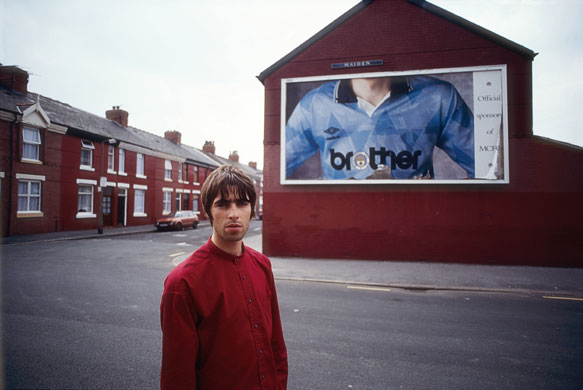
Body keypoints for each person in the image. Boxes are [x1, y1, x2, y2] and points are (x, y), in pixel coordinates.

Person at [160, 165, 288, 389]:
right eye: (222, 204)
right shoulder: (182, 283)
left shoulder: (262, 265)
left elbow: (275, 343)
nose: (234, 214)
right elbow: (177, 374)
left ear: (251, 208)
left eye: (242, 203)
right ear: (208, 212)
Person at [285, 75, 475, 180]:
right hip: (341, 228)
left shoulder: (438, 96)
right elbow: (277, 171)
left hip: (416, 232)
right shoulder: (314, 104)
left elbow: (486, 169)